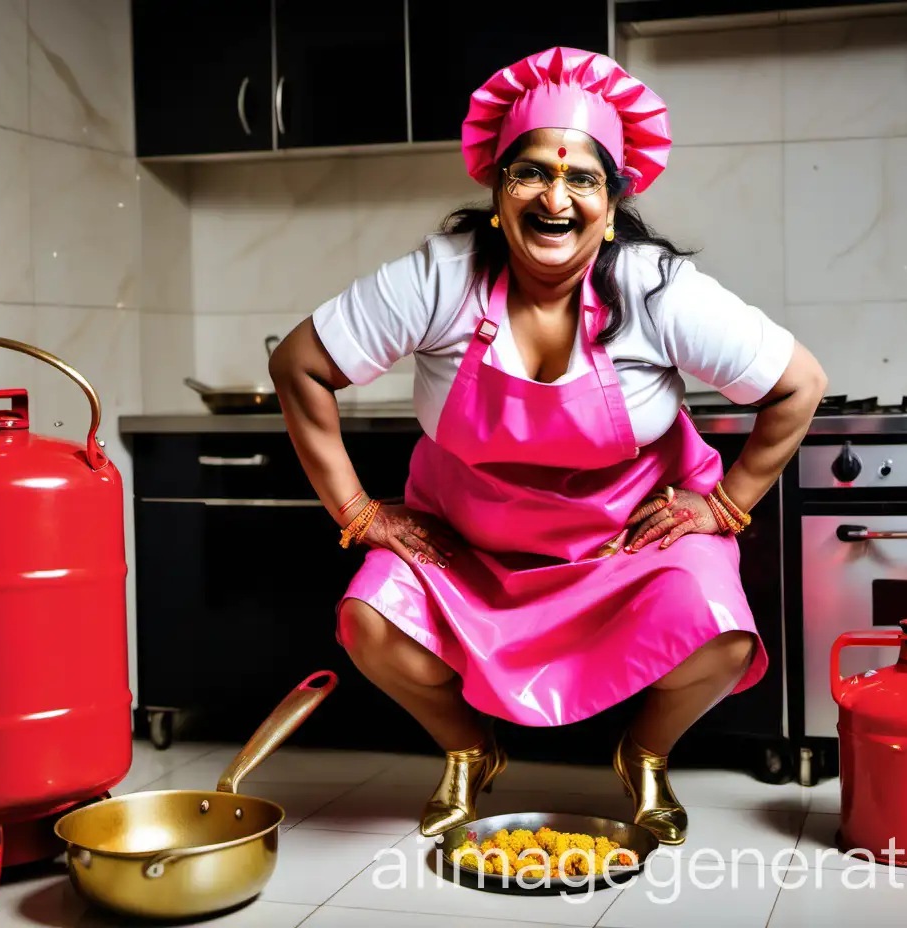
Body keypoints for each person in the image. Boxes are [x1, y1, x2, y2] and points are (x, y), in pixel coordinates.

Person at [269, 46, 827, 846]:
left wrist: (727, 507)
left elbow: (798, 384)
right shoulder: (440, 278)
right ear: (497, 190)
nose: (554, 196)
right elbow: (299, 365)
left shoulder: (654, 286)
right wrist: (358, 513)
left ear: (610, 201)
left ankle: (643, 756)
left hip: (623, 546)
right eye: (530, 173)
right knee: (368, 622)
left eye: (581, 179)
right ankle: (469, 748)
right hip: (466, 546)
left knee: (724, 638)